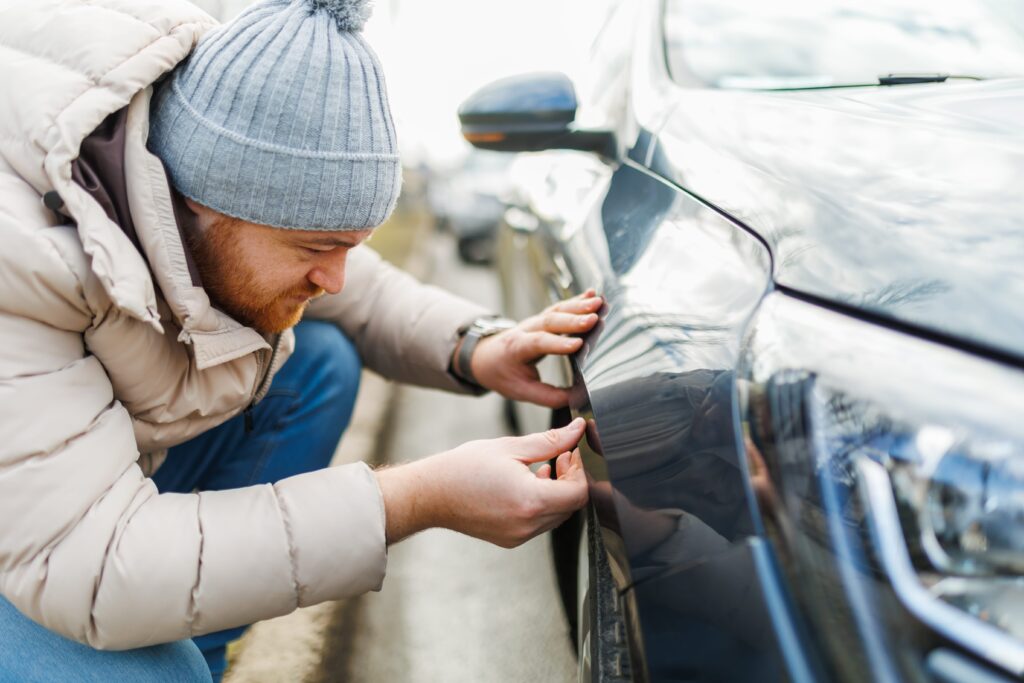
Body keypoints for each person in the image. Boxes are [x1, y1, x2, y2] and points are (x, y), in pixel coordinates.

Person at [0, 0, 601, 680]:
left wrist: (474, 346)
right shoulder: (22, 253)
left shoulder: (194, 138)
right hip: (40, 534)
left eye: (350, 243)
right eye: (318, 246)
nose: (338, 279)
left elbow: (353, 279)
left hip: (51, 483)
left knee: (319, 362)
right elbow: (96, 563)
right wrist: (414, 498)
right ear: (204, 202)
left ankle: (200, 643)